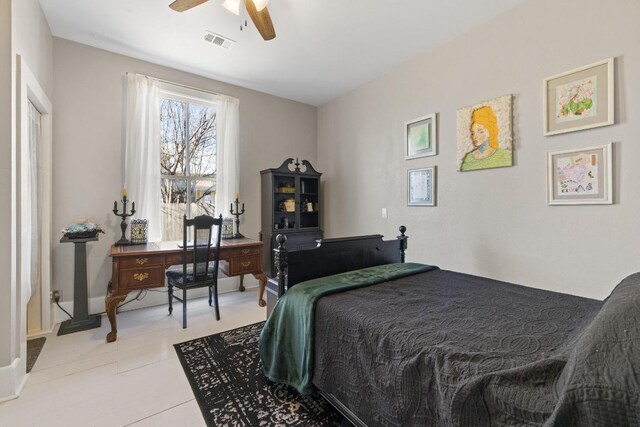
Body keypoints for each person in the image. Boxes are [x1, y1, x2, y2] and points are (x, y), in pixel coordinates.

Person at [460, 105, 512, 171]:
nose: (475, 137)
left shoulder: (504, 156)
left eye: (480, 132)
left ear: (490, 132)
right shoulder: (468, 159)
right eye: (473, 133)